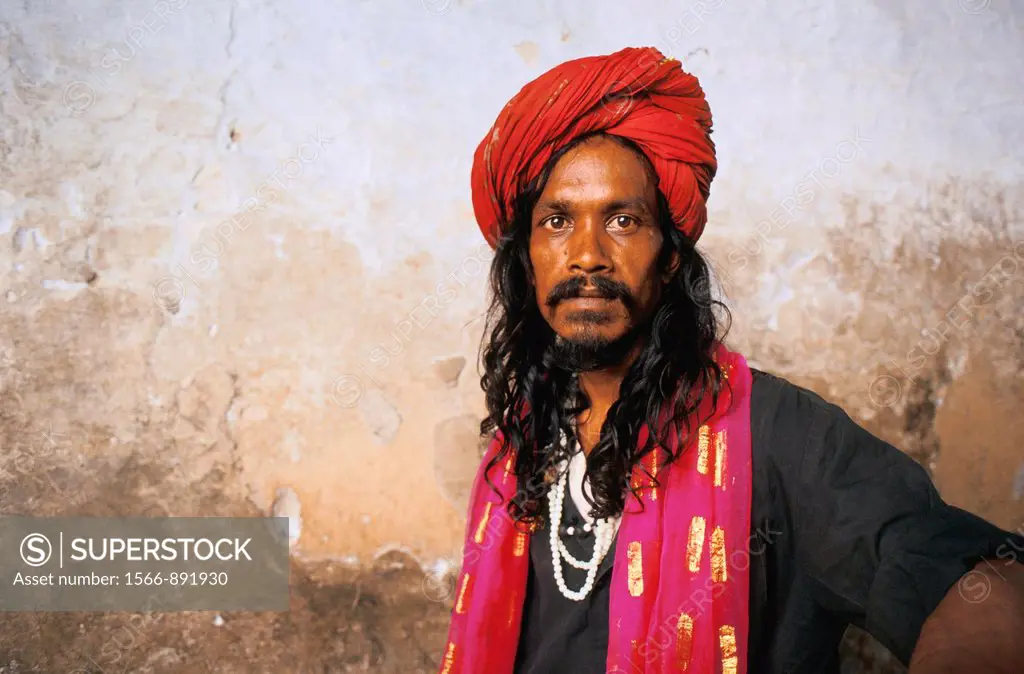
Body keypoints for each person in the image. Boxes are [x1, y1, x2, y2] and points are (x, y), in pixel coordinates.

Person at [438, 46, 1024, 674]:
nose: (587, 255)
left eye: (624, 220)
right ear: (527, 262)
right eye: (556, 221)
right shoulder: (518, 447)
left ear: (669, 257)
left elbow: (970, 578)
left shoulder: (776, 434)